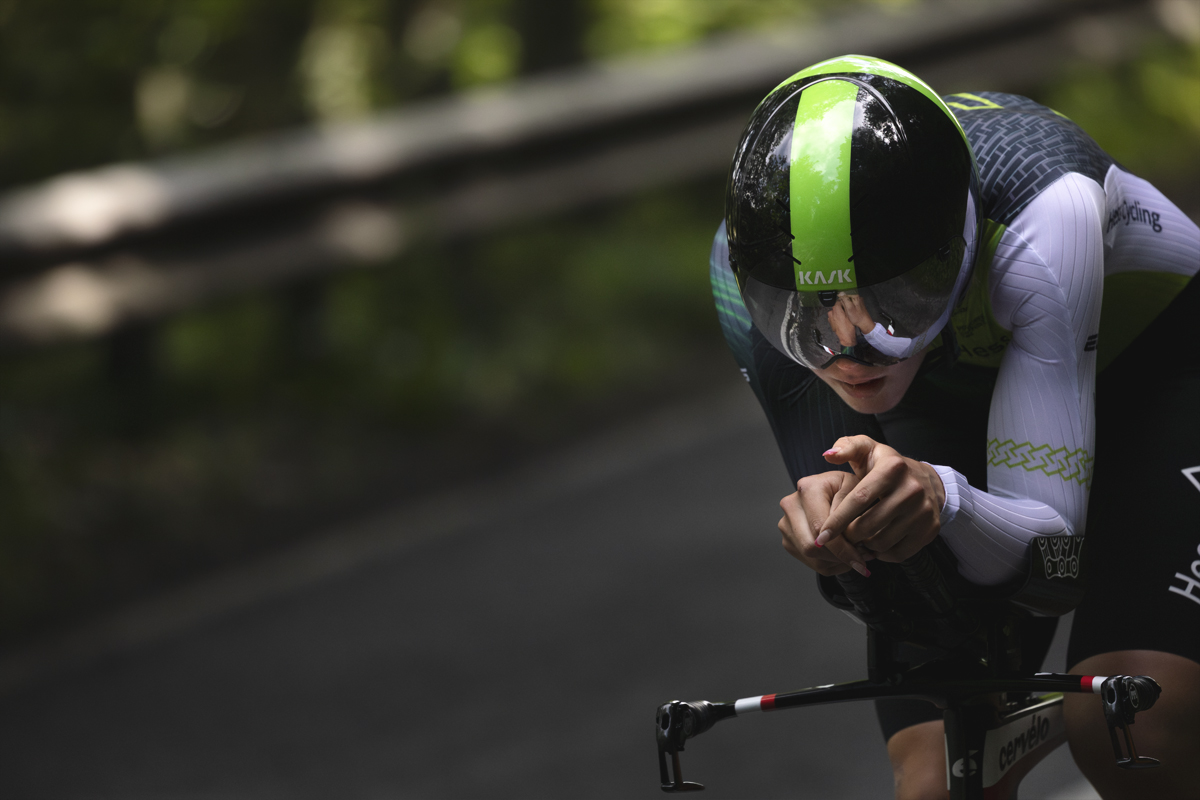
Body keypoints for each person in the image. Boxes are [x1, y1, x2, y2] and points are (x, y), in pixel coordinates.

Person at [710, 55, 1200, 799]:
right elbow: (889, 583)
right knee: (937, 777)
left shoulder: (1045, 216)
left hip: (1159, 373)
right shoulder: (734, 272)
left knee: (1131, 722)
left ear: (961, 244)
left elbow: (1053, 567)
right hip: (957, 390)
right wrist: (840, 537)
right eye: (805, 316)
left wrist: (942, 499)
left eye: (896, 295)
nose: (852, 345)